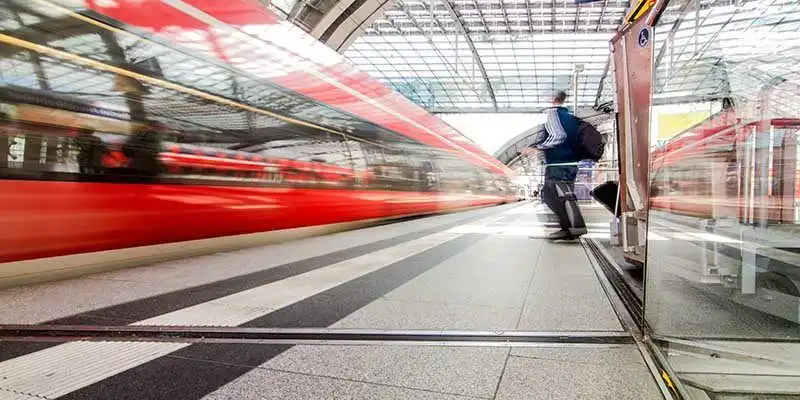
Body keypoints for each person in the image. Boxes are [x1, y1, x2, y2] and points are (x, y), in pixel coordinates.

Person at [531, 91, 587, 240]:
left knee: (550, 196)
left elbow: (558, 136)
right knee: (565, 196)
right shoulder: (570, 118)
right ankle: (571, 229)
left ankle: (572, 227)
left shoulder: (552, 114)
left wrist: (537, 147)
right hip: (571, 164)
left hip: (558, 164)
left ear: (553, 99)